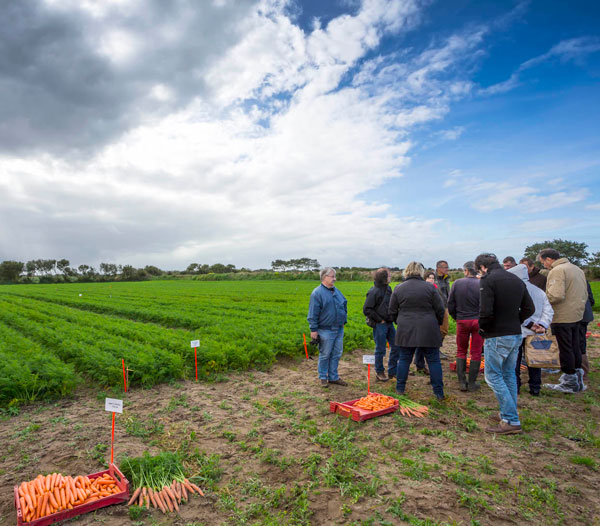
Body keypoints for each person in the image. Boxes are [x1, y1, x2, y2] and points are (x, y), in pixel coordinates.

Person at [476, 253, 535, 435]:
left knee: (493, 376)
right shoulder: (516, 280)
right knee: (509, 374)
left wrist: (484, 328)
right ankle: (508, 414)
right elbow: (529, 308)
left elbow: (485, 311)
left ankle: (511, 419)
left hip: (497, 334)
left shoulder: (488, 280)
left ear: (482, 267)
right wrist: (515, 320)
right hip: (515, 333)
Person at [389, 261, 446, 400]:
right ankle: (438, 392)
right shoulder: (430, 288)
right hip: (429, 327)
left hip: (406, 327)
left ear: (406, 271)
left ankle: (400, 388)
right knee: (433, 360)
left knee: (404, 359)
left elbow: (392, 311)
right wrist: (436, 323)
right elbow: (440, 309)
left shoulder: (398, 288)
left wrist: (400, 322)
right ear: (421, 272)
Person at [538, 248, 588, 393]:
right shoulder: (576, 269)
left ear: (548, 259)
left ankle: (569, 380)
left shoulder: (558, 270)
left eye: (543, 262)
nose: (545, 266)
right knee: (575, 346)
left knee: (564, 347)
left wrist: (542, 301)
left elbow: (556, 295)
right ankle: (577, 376)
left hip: (562, 316)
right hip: (576, 314)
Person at [507, 264, 554, 396]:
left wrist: (529, 324)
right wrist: (543, 325)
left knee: (514, 361)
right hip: (536, 332)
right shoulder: (539, 291)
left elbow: (516, 310)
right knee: (535, 360)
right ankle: (535, 387)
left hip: (519, 331)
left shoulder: (514, 291)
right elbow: (548, 310)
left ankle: (515, 386)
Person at [307, 267, 348, 388]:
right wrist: (313, 330)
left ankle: (333, 377)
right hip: (325, 329)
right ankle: (323, 377)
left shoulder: (337, 291)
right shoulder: (317, 293)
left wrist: (343, 319)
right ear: (324, 277)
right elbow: (313, 313)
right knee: (325, 354)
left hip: (339, 328)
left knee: (336, 353)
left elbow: (344, 305)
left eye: (335, 276)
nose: (335, 279)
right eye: (332, 276)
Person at [447, 261, 483, 392]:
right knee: (476, 351)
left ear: (466, 271)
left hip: (462, 320)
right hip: (478, 320)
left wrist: (456, 317)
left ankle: (462, 381)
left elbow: (450, 303)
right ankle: (472, 383)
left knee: (461, 350)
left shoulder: (457, 283)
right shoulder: (481, 284)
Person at [363, 267, 400, 381]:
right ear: (383, 277)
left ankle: (393, 371)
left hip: (389, 323)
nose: (391, 277)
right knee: (380, 349)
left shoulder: (388, 289)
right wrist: (379, 320)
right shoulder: (374, 291)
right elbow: (367, 309)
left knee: (396, 346)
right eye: (389, 275)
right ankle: (379, 372)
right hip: (380, 324)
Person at [412, 270, 437, 375]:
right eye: (429, 277)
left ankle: (420, 363)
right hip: (422, 321)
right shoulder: (422, 289)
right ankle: (419, 363)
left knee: (424, 344)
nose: (431, 279)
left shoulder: (435, 289)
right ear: (424, 278)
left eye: (432, 278)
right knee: (420, 344)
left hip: (431, 321)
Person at [578, 281, 595, 381]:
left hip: (579, 315)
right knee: (581, 341)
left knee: (579, 342)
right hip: (585, 314)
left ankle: (582, 370)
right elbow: (591, 300)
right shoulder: (583, 279)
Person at [434, 260, 451, 358]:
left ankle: (436, 349)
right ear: (438, 268)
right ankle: (435, 350)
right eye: (445, 267)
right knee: (439, 330)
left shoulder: (446, 279)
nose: (447, 269)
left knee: (444, 330)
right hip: (436, 307)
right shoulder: (433, 279)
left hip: (445, 307)